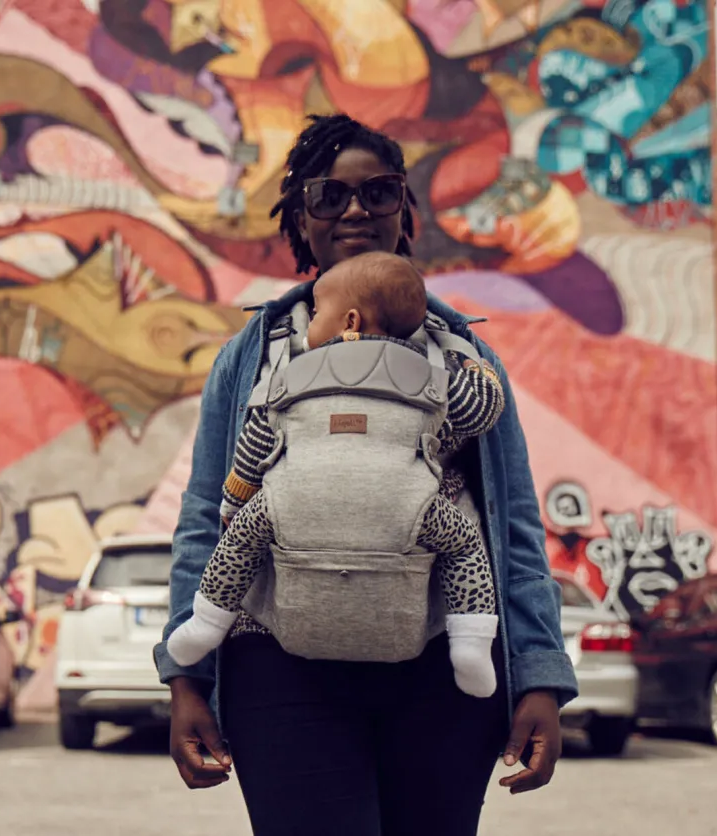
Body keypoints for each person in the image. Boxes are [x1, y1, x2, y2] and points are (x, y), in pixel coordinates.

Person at [154, 113, 578, 836]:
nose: (354, 210)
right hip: (280, 670)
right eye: (329, 195)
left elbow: (511, 523)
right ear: (300, 217)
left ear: (403, 209)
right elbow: (206, 516)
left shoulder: (464, 359)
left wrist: (539, 672)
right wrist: (185, 676)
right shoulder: (250, 357)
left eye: (378, 192)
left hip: (441, 673)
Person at [166, 251, 505, 700]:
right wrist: (474, 364)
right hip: (407, 505)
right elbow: (481, 410)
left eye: (316, 313)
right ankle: (471, 644)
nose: (310, 323)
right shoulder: (433, 377)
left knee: (240, 540)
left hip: (294, 501)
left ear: (349, 321)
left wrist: (234, 503)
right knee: (464, 545)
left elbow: (256, 445)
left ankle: (208, 621)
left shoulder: (291, 377)